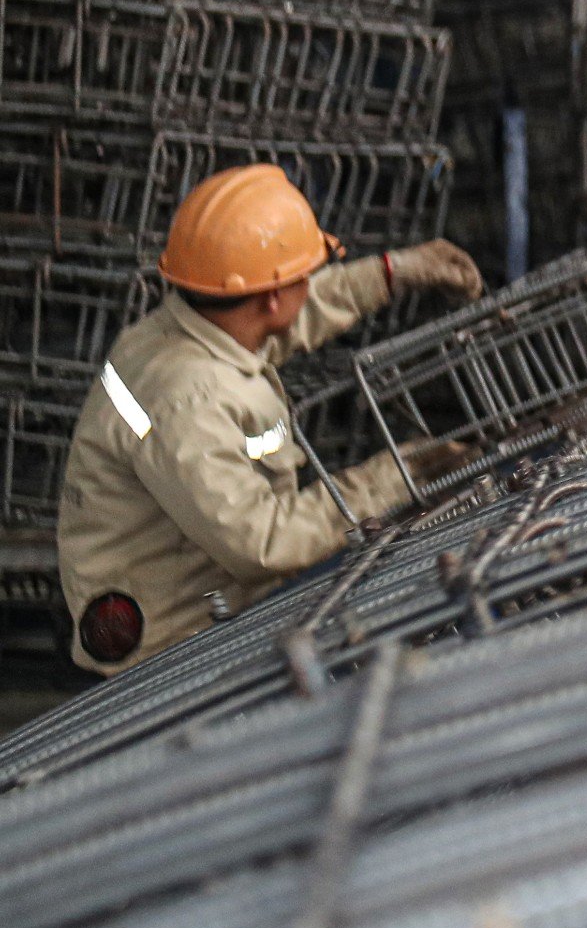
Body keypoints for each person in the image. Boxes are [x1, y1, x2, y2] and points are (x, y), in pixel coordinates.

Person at [55, 166, 484, 675]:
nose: (310, 283)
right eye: (304, 274)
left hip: (191, 579)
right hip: (174, 643)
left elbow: (285, 317)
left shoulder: (181, 329)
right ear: (273, 296)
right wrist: (390, 478)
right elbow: (264, 544)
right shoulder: (188, 401)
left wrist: (392, 272)